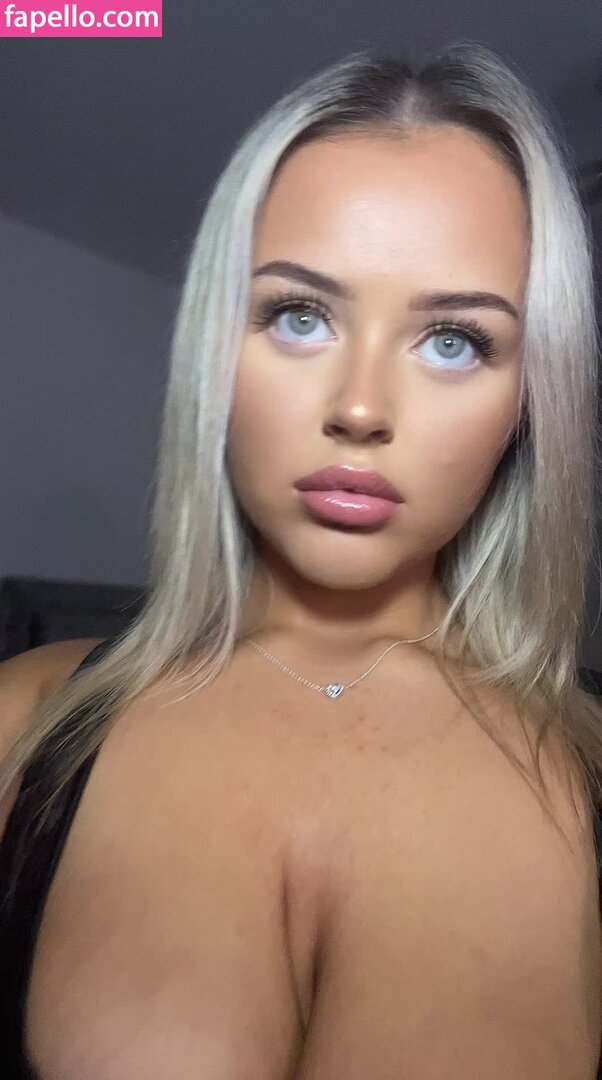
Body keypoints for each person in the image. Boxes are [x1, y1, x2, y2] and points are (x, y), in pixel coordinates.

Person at [1, 40, 601, 1080]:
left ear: (529, 401)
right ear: (211, 349)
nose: (360, 408)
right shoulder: (22, 727)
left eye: (453, 340)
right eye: (298, 316)